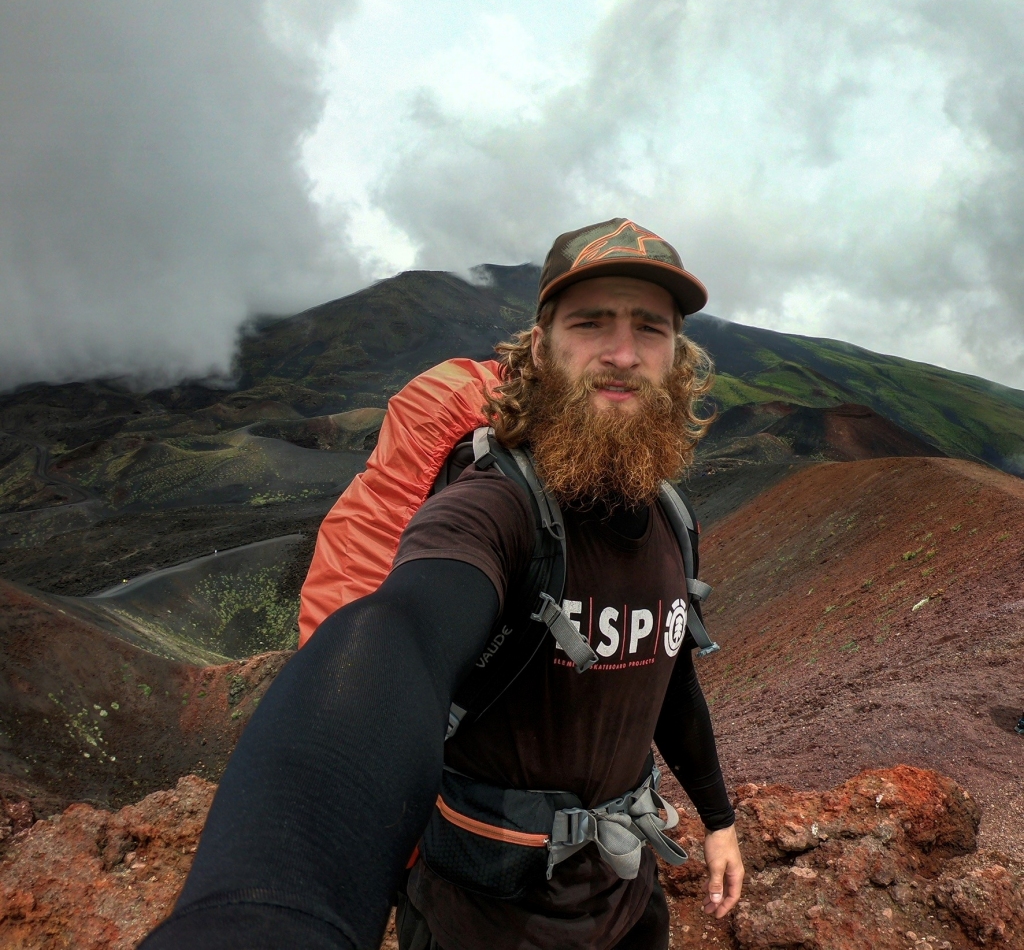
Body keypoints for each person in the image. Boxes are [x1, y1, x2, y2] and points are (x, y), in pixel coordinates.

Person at [142, 218, 744, 950]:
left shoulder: (668, 521)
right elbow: (399, 637)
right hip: (482, 922)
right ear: (542, 346)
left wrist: (718, 822)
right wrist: (267, 911)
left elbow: (668, 680)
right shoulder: (497, 507)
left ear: (676, 356)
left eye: (650, 329)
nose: (623, 353)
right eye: (592, 323)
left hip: (626, 906)